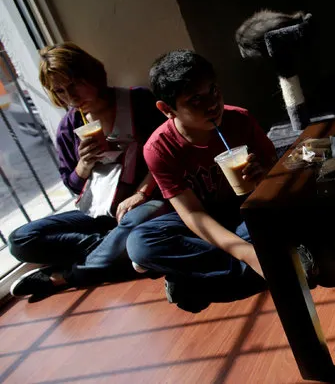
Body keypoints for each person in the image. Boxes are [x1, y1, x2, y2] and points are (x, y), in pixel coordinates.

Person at [126, 50, 318, 313]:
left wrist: (264, 175)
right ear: (167, 109)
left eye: (213, 90)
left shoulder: (239, 119)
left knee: (283, 217)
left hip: (245, 212)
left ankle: (192, 284)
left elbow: (278, 175)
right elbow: (192, 214)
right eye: (195, 99)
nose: (212, 104)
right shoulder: (159, 149)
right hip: (203, 221)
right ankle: (280, 262)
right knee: (141, 243)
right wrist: (247, 254)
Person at [8, 42, 167, 298]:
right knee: (20, 239)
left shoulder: (137, 101)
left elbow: (168, 155)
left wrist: (142, 193)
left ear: (92, 75)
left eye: (73, 85)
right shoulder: (68, 127)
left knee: (135, 222)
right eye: (59, 91)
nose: (69, 97)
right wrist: (83, 165)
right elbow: (71, 184)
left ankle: (64, 276)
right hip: (98, 214)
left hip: (146, 202)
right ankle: (115, 248)